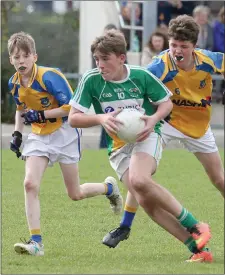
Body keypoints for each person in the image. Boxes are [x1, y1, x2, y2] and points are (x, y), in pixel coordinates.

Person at [68, 29, 212, 262]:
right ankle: (198, 250)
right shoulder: (91, 80)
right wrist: (100, 119)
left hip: (147, 136)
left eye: (105, 59)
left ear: (121, 58)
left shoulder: (140, 76)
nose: (100, 64)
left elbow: (166, 103)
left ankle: (195, 225)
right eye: (97, 59)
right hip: (118, 148)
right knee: (145, 201)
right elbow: (73, 118)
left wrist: (154, 119)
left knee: (140, 180)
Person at [102, 15, 224, 263]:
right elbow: (136, 88)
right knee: (140, 182)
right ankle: (130, 225)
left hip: (199, 126)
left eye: (184, 46)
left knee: (219, 179)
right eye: (174, 44)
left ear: (194, 46)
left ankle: (126, 225)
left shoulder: (209, 60)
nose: (177, 51)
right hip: (165, 124)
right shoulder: (159, 66)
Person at [8, 31, 123, 256]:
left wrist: (42, 115)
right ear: (10, 59)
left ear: (35, 56)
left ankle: (109, 188)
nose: (21, 61)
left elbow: (72, 108)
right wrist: (17, 134)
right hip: (40, 136)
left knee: (75, 193)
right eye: (16, 57)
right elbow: (21, 109)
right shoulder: (14, 83)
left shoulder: (49, 76)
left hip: (65, 132)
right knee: (30, 184)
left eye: (25, 56)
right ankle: (36, 243)